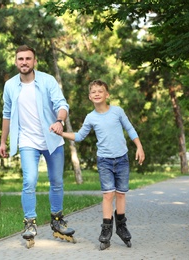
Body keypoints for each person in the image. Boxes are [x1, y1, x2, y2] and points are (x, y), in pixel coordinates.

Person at [0, 45, 75, 247]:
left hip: (52, 139)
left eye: (28, 59)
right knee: (29, 181)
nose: (24, 62)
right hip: (27, 141)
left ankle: (57, 221)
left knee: (56, 181)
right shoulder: (11, 86)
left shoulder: (47, 80)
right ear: (16, 62)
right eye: (20, 59)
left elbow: (62, 104)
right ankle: (30, 223)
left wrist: (59, 121)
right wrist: (3, 141)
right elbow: (6, 114)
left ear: (34, 61)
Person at [59, 79, 145, 250]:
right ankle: (106, 230)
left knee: (120, 194)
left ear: (107, 95)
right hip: (104, 160)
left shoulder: (117, 111)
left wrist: (139, 147)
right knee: (108, 195)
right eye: (93, 92)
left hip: (122, 159)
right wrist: (61, 133)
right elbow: (80, 136)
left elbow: (130, 129)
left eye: (100, 91)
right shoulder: (91, 117)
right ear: (90, 97)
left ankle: (121, 226)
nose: (97, 94)